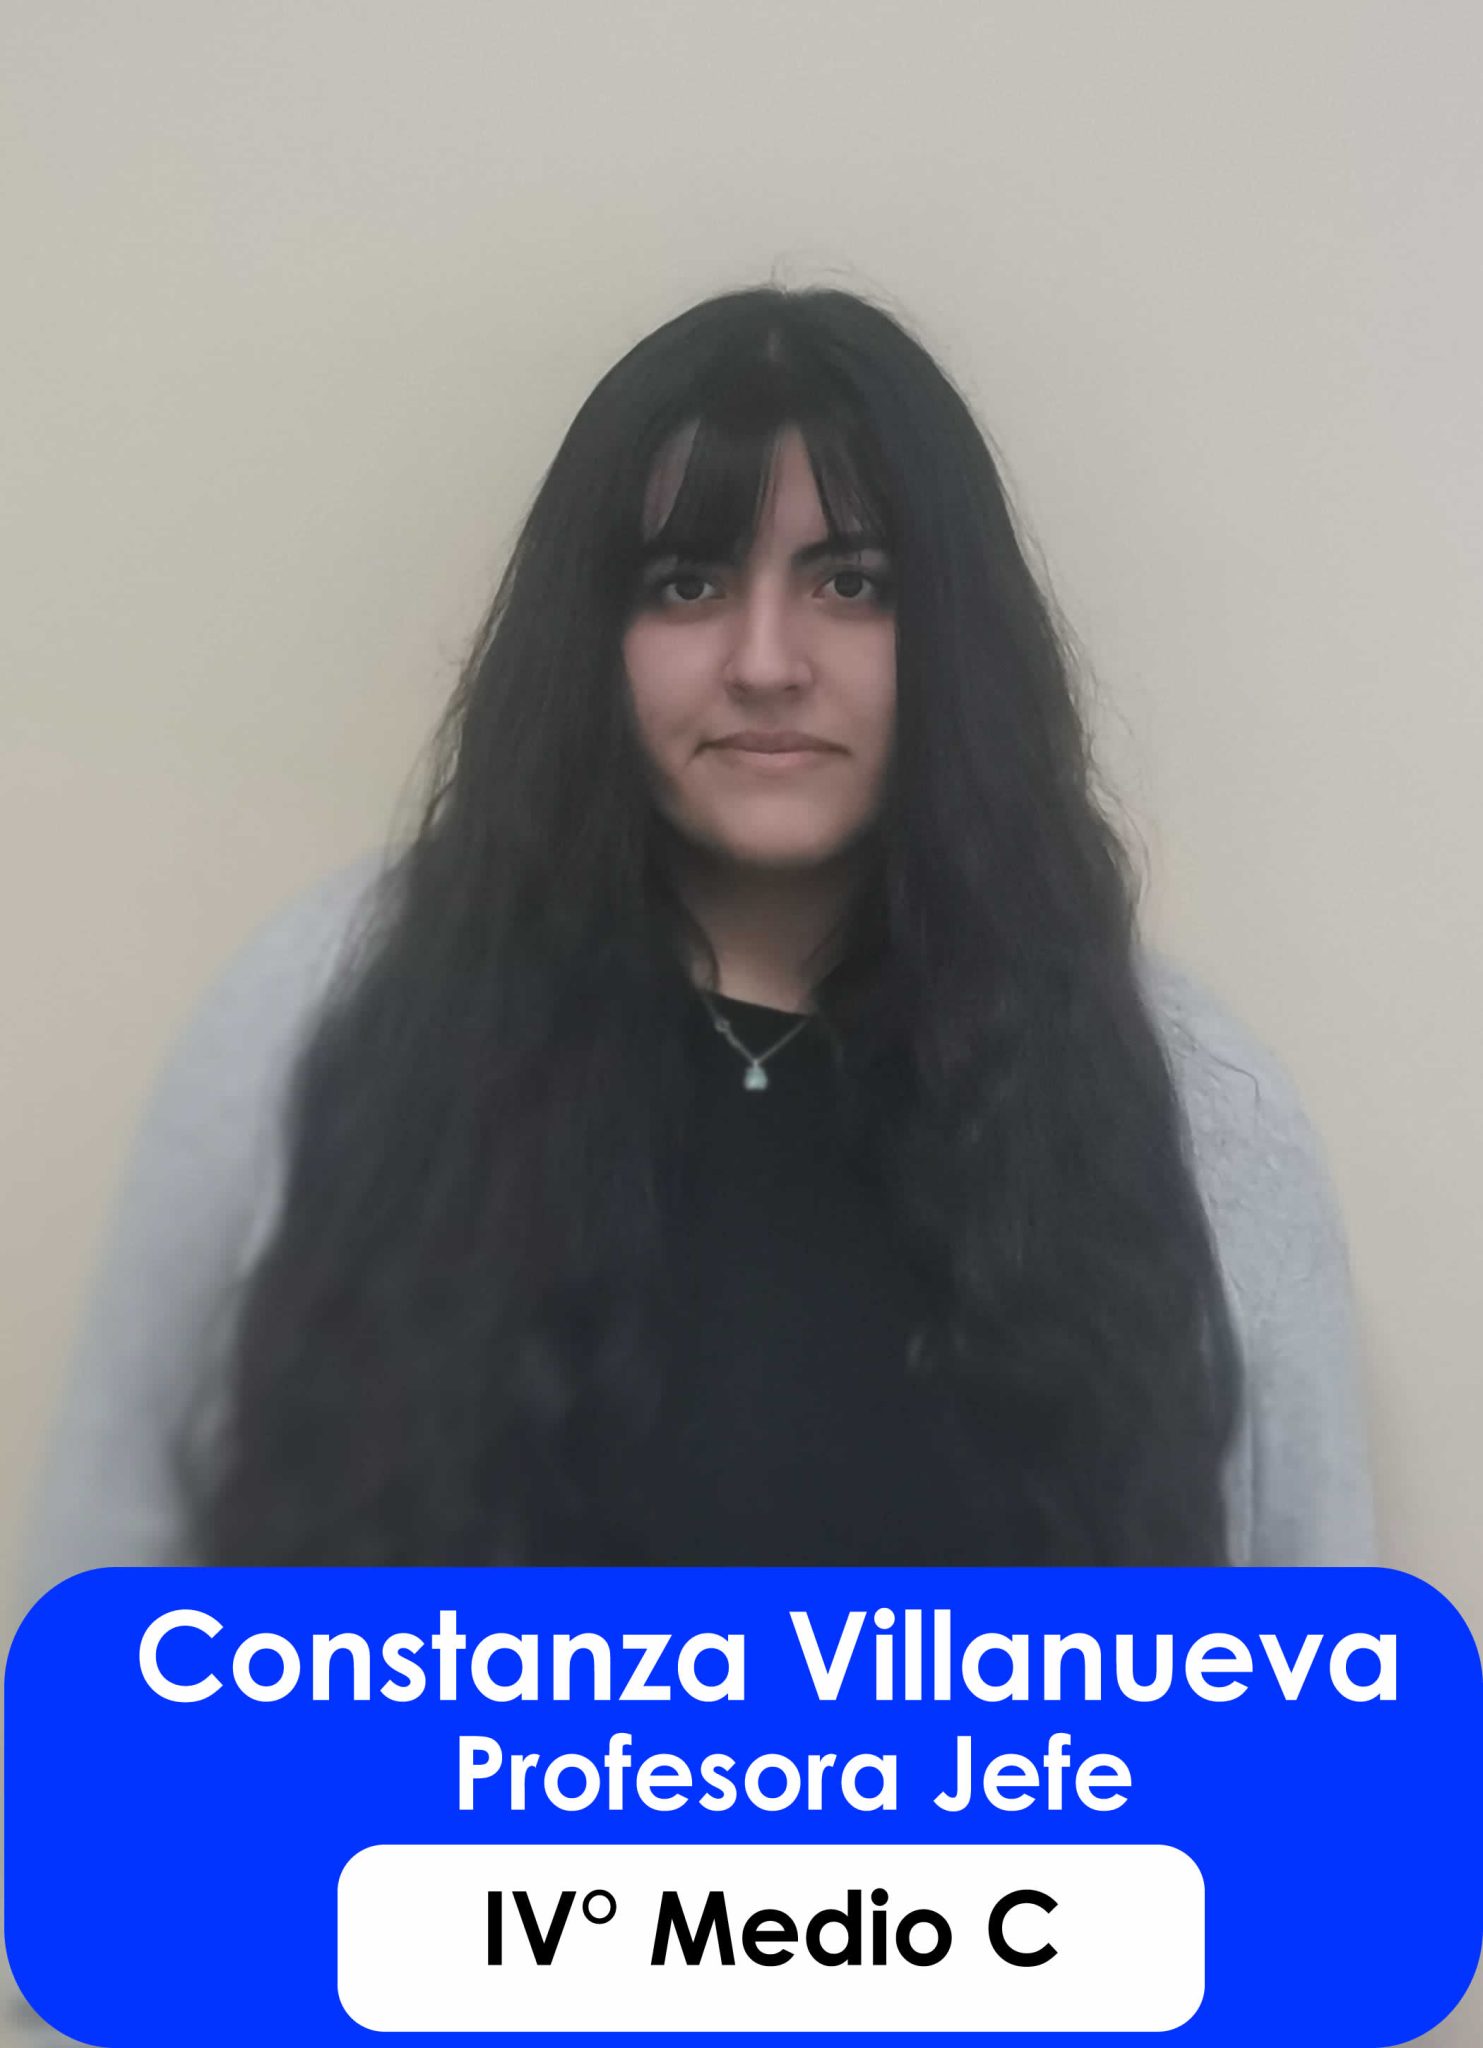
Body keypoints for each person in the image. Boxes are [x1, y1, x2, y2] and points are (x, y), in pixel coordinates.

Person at [18, 284, 1376, 1597]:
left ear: (957, 640)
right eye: (686, 584)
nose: (767, 662)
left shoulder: (1188, 1104)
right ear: (590, 638)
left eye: (853, 583)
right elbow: (109, 1559)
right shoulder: (327, 1006)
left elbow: (1310, 1685)